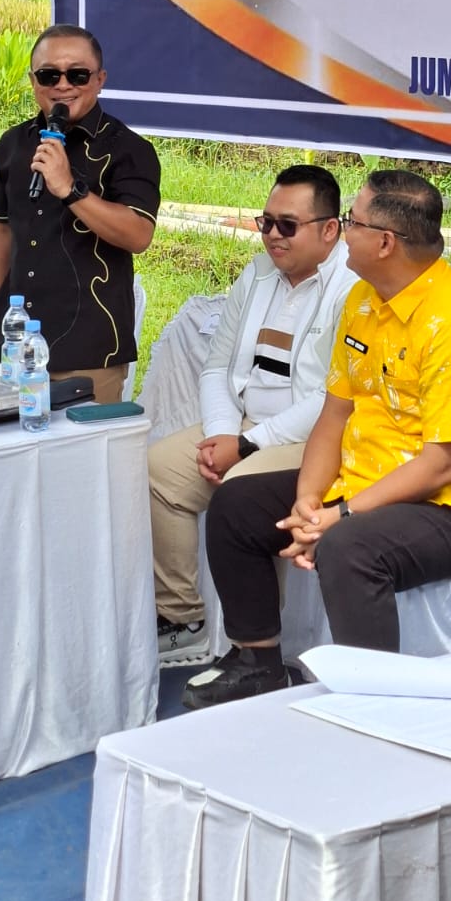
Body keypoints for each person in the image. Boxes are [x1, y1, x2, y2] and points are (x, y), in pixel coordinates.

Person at [183, 169, 451, 708]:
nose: (342, 231)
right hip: (363, 477)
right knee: (239, 503)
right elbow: (334, 415)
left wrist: (340, 516)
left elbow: (442, 466)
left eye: (351, 222)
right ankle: (257, 661)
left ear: (385, 243)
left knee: (348, 547)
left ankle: (374, 702)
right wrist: (309, 499)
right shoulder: (363, 300)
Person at [150, 164, 358, 667]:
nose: (272, 236)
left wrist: (246, 446)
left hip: (310, 439)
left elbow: (331, 400)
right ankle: (183, 618)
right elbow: (218, 365)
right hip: (241, 424)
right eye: (265, 222)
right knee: (158, 468)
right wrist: (223, 433)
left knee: (244, 490)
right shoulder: (258, 273)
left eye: (287, 225)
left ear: (330, 229)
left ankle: (256, 643)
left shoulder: (353, 287)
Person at [0, 25, 160, 404]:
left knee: (77, 462)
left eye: (77, 74)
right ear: (32, 80)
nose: (63, 85)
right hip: (14, 344)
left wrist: (70, 189)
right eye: (49, 75)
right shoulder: (13, 145)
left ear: (99, 80)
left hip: (87, 350)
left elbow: (138, 235)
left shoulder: (129, 149)